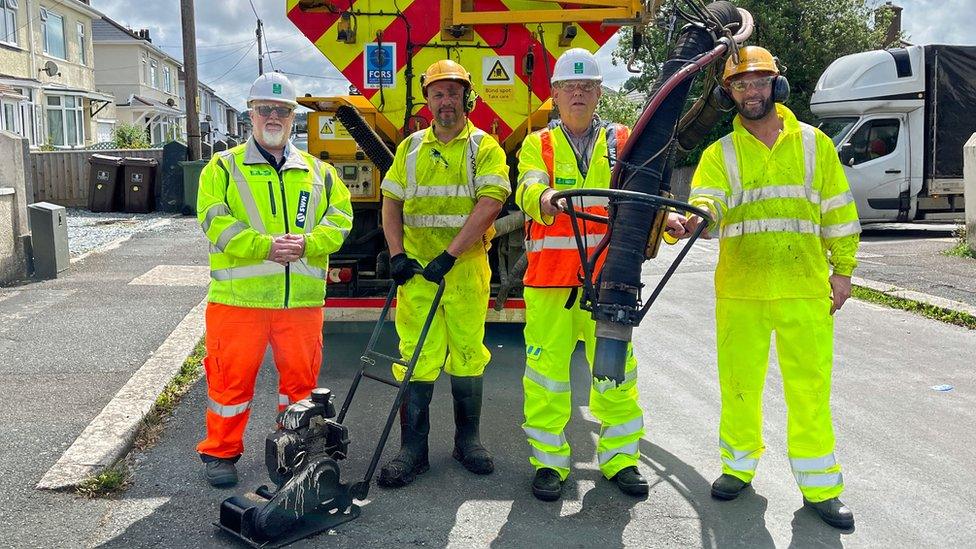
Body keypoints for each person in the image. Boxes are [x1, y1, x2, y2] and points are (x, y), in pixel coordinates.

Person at [682, 46, 861, 529]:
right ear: (729, 93)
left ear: (776, 86)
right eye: (741, 85)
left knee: (810, 390)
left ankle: (821, 487)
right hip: (742, 290)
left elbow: (839, 211)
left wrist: (842, 271)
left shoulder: (814, 144)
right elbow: (708, 201)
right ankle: (738, 468)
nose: (751, 92)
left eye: (759, 82)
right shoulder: (718, 154)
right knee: (739, 385)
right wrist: (691, 222)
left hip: (803, 288)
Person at [515, 48, 687, 502]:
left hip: (610, 282)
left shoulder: (623, 139)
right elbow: (529, 185)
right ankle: (549, 463)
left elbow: (647, 190)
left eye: (587, 86)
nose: (578, 94)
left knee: (616, 375)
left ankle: (620, 460)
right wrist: (546, 196)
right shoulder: (540, 143)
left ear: (599, 93)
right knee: (547, 377)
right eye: (570, 87)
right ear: (554, 94)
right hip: (551, 282)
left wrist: (664, 219)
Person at [195, 72, 353, 487]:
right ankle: (221, 452)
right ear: (250, 114)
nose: (273, 116)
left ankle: (292, 451)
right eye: (265, 108)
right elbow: (214, 222)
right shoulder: (222, 169)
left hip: (300, 302)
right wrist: (264, 246)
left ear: (292, 117)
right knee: (230, 383)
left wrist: (308, 243)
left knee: (300, 388)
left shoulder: (320, 173)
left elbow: (341, 220)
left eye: (282, 110)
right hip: (238, 301)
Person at [377, 59, 511, 488]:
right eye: (438, 93)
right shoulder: (410, 148)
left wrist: (450, 256)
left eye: (453, 92)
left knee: (468, 353)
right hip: (417, 273)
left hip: (465, 270)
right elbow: (391, 203)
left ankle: (467, 441)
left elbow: (490, 203)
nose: (446, 101)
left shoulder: (484, 148)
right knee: (416, 356)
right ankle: (412, 450)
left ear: (467, 97)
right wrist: (397, 254)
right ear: (427, 100)